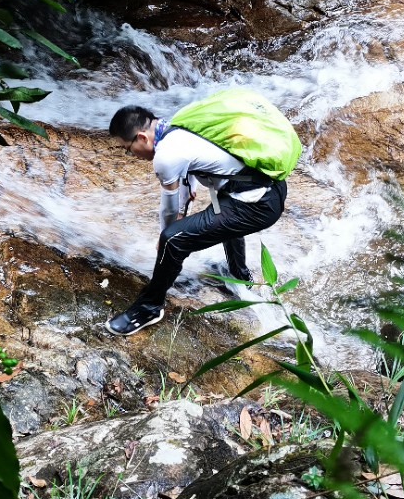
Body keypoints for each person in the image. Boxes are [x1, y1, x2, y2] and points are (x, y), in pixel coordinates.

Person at [106, 102, 288, 336]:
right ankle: (239, 277)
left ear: (141, 137)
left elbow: (168, 209)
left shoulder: (165, 156)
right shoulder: (176, 128)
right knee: (219, 210)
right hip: (266, 188)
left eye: (127, 148)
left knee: (174, 239)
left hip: (257, 204)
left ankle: (149, 308)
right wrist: (183, 209)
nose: (130, 154)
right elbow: (188, 173)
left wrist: (166, 238)